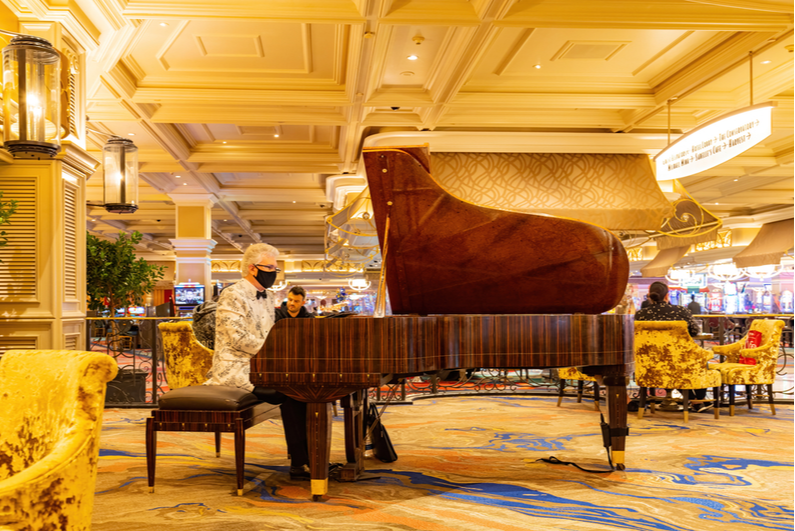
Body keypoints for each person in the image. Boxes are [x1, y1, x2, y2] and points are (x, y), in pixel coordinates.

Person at [203, 243, 311, 480]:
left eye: (275, 268)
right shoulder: (232, 294)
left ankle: (306, 459)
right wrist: (275, 350)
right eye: (270, 267)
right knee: (291, 392)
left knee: (304, 388)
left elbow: (269, 333)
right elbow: (239, 338)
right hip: (235, 369)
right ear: (252, 268)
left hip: (261, 366)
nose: (274, 273)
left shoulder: (269, 296)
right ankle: (301, 464)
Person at [635, 281, 710, 412]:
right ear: (667, 296)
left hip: (650, 363)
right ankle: (697, 400)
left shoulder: (641, 315)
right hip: (679, 360)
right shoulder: (680, 311)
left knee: (670, 366)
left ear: (649, 296)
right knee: (700, 362)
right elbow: (694, 331)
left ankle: (694, 400)